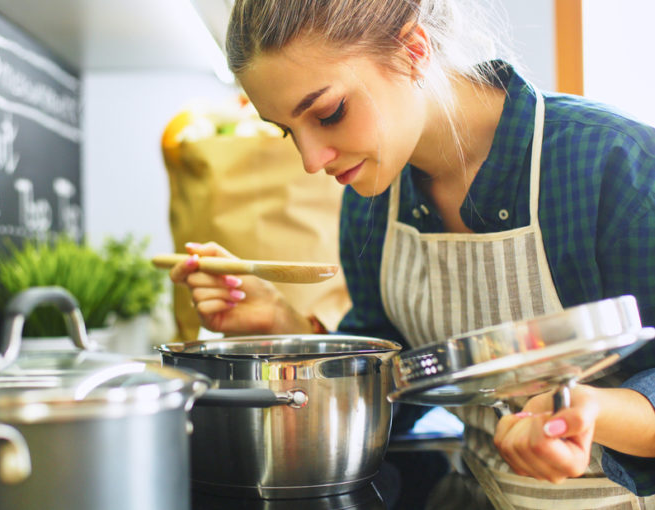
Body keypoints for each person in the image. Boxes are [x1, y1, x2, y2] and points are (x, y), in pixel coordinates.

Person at [167, 0, 655, 508]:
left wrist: (588, 412)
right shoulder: (373, 203)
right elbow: (398, 391)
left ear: (412, 50)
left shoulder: (614, 164)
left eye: (329, 113)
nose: (311, 160)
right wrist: (282, 327)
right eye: (289, 131)